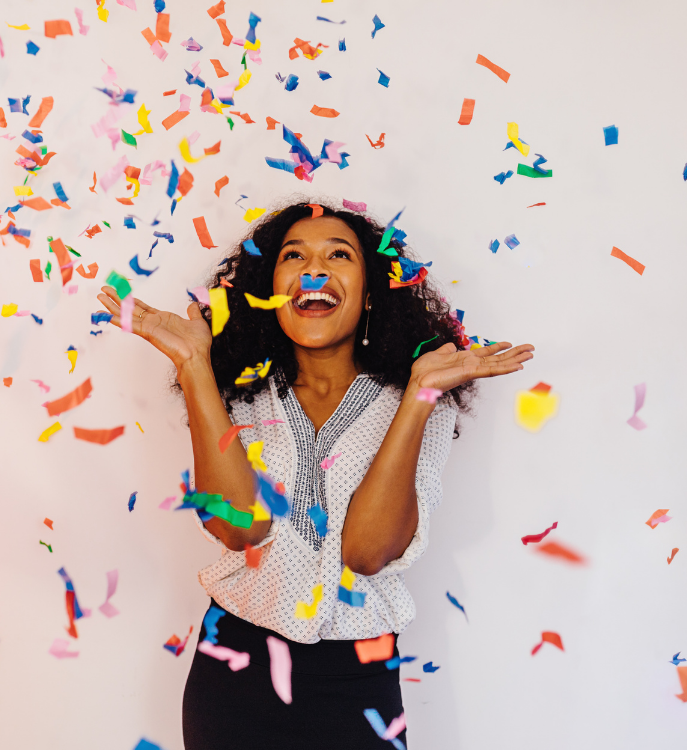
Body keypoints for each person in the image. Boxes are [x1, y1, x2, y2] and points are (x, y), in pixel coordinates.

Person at [96, 201, 534, 749]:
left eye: (338, 255)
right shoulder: (239, 391)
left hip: (357, 683)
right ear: (272, 289)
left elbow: (366, 552)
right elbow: (239, 528)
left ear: (372, 291)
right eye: (294, 256)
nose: (314, 270)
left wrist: (420, 397)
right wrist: (194, 367)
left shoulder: (422, 396)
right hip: (233, 675)